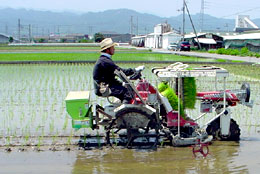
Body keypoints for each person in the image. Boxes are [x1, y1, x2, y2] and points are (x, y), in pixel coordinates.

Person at [93, 38, 136, 104]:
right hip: (103, 88)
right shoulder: (105, 61)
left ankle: (122, 108)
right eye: (112, 47)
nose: (114, 49)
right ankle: (124, 113)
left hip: (107, 85)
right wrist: (134, 70)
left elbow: (112, 76)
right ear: (107, 50)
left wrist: (122, 83)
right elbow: (121, 72)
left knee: (127, 89)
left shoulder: (104, 60)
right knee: (128, 94)